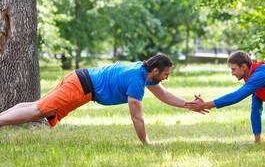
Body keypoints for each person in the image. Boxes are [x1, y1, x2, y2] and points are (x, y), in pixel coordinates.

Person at [0, 54, 205, 145]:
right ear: (156, 70)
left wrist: (189, 105)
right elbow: (137, 118)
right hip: (81, 86)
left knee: (42, 107)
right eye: (166, 74)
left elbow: (165, 95)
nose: (167, 78)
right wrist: (146, 142)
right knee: (39, 110)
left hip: (80, 78)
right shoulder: (137, 79)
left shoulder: (143, 71)